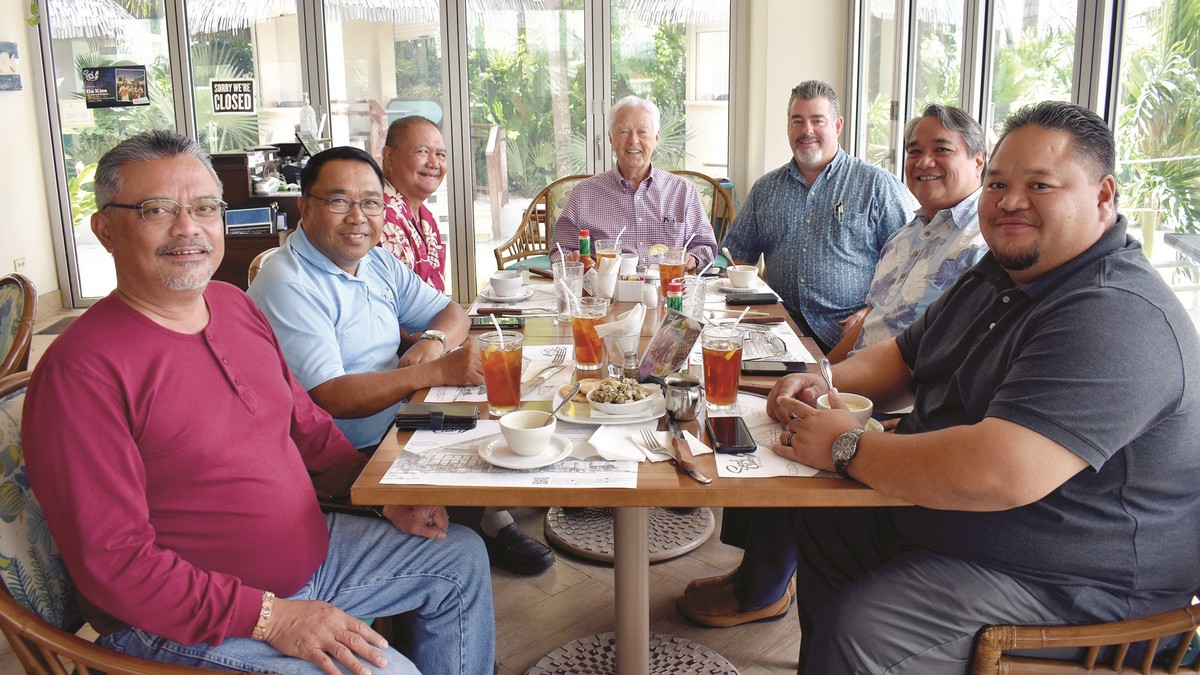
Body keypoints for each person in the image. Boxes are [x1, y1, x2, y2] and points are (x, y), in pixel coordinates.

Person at [22, 130, 495, 675]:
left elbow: (308, 426)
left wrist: (380, 499)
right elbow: (115, 562)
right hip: (188, 622)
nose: (188, 228)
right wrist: (273, 618)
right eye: (157, 210)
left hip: (315, 557)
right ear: (105, 229)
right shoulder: (82, 371)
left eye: (204, 207)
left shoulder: (231, 305)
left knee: (459, 557)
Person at [769, 101, 1200, 673]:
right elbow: (903, 358)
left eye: (1039, 184)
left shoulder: (1116, 312)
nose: (1009, 200)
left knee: (863, 631)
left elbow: (1000, 472)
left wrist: (848, 446)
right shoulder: (1002, 271)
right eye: (998, 182)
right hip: (962, 527)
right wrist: (819, 382)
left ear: (1102, 196)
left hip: (1072, 587)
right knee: (825, 522)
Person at [678, 103, 991, 629]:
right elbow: (872, 328)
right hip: (857, 364)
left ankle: (765, 588)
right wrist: (820, 372)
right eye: (915, 150)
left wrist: (829, 383)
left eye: (942, 150)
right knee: (754, 410)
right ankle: (756, 570)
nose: (924, 162)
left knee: (789, 436)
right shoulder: (915, 231)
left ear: (979, 162)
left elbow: (931, 360)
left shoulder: (980, 246)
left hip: (903, 403)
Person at [249, 145, 555, 576]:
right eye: (339, 201)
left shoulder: (371, 259)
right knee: (491, 431)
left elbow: (452, 313)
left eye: (371, 203)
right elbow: (330, 397)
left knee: (519, 407)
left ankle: (488, 519)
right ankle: (453, 559)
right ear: (305, 207)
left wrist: (432, 341)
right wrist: (434, 369)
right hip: (351, 452)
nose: (358, 217)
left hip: (403, 417)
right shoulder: (288, 283)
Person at [720, 80, 912, 352]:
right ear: (788, 127)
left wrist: (872, 312)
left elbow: (911, 263)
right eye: (797, 121)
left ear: (837, 126)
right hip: (780, 334)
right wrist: (764, 301)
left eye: (817, 120)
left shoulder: (876, 185)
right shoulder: (766, 189)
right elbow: (735, 254)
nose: (806, 130)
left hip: (854, 337)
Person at [548, 95, 718, 271]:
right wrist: (570, 261)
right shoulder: (584, 193)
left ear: (656, 138)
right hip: (607, 293)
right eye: (624, 132)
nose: (633, 140)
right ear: (611, 138)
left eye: (643, 132)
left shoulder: (682, 191)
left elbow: (706, 246)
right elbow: (559, 251)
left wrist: (694, 259)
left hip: (668, 290)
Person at [380, 115, 447, 291]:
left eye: (440, 155)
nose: (434, 163)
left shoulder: (427, 218)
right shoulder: (378, 216)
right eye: (422, 152)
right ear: (388, 157)